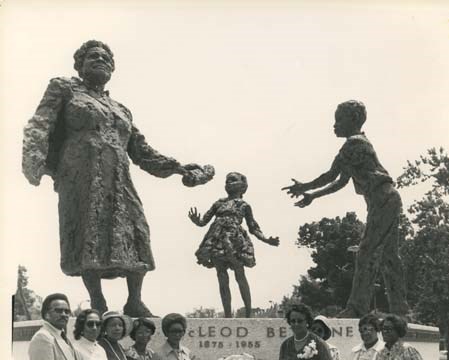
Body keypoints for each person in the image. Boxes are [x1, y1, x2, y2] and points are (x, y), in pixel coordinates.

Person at [22, 40, 214, 317]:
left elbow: (141, 150)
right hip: (81, 174)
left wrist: (179, 168)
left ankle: (134, 300)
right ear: (80, 65)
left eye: (106, 58)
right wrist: (34, 159)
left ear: (112, 68)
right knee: (90, 230)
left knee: (136, 231)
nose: (100, 60)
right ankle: (97, 301)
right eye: (93, 57)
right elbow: (40, 122)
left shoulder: (120, 109)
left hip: (119, 177)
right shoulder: (65, 89)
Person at [283, 100, 408, 318]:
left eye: (339, 119)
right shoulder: (354, 145)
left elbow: (330, 175)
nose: (335, 124)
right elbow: (340, 181)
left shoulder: (355, 144)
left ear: (353, 120)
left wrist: (305, 186)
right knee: (389, 257)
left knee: (366, 252)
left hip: (383, 199)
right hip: (383, 199)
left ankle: (357, 308)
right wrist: (312, 195)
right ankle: (400, 310)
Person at [188, 172, 279, 317]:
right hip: (216, 240)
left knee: (240, 275)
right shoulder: (219, 203)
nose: (229, 183)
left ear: (243, 186)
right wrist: (196, 221)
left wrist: (267, 239)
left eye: (233, 180)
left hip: (235, 241)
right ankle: (228, 315)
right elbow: (204, 221)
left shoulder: (244, 205)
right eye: (227, 181)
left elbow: (253, 227)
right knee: (222, 277)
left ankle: (248, 313)